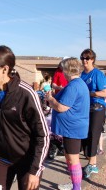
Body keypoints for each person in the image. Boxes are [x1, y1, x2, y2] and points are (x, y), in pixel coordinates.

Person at [0, 45, 49, 190]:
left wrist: (35, 170)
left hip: (27, 161)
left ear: (5, 69)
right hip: (0, 158)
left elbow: (43, 135)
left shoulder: (26, 93)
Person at [46, 57, 89, 190]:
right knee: (70, 157)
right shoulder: (77, 84)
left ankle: (76, 187)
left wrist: (50, 99)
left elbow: (61, 107)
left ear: (68, 70)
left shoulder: (74, 86)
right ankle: (74, 184)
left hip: (72, 128)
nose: (62, 72)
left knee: (72, 159)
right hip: (71, 128)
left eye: (63, 68)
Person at [80, 48, 106, 178]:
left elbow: (105, 92)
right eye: (82, 58)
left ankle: (92, 165)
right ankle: (91, 161)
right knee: (84, 135)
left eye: (87, 58)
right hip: (84, 107)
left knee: (93, 134)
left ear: (92, 60)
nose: (84, 60)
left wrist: (92, 93)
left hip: (97, 107)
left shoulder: (97, 74)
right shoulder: (81, 75)